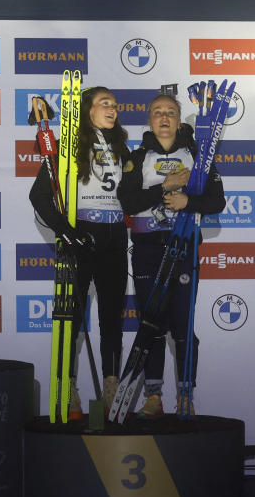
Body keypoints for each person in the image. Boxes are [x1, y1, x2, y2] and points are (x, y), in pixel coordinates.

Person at [117, 92, 224, 417]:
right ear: (149, 120)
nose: (164, 118)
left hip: (184, 249)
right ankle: (153, 397)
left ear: (179, 120)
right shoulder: (136, 157)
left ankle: (185, 397)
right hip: (148, 250)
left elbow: (217, 200)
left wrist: (187, 202)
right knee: (151, 325)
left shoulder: (198, 155)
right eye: (157, 112)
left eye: (170, 113)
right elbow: (128, 201)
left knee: (182, 326)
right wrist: (165, 187)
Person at [29, 86, 131, 416]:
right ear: (86, 110)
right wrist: (66, 231)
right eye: (104, 104)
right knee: (71, 319)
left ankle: (111, 389)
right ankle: (67, 389)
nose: (112, 109)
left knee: (112, 317)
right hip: (82, 236)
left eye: (114, 105)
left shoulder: (122, 148)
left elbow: (143, 185)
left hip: (115, 239)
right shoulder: (70, 147)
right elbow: (39, 197)